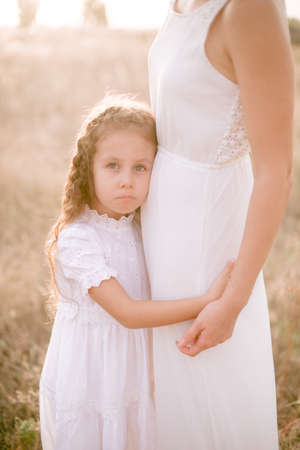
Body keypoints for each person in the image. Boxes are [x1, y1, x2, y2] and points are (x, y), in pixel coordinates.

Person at [39, 94, 234, 450]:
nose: (127, 180)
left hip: (135, 374)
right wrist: (208, 301)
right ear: (87, 169)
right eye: (113, 166)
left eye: (140, 167)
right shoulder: (78, 239)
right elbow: (127, 313)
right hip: (93, 376)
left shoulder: (142, 229)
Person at [141, 0, 294, 449]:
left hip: (207, 233)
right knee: (170, 394)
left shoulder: (252, 10)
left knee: (207, 388)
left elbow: (277, 171)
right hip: (162, 223)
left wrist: (233, 301)